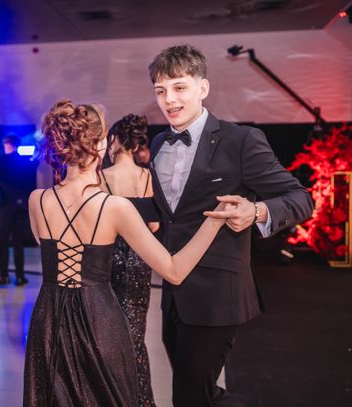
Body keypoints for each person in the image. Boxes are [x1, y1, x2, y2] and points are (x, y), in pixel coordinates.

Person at [23, 99, 231, 406]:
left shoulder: (37, 200)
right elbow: (174, 270)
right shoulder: (114, 207)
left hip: (48, 322)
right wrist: (216, 220)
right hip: (98, 321)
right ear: (101, 144)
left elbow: (49, 250)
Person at [148, 44, 314, 407]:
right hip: (173, 295)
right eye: (160, 91)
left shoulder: (240, 141)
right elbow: (167, 211)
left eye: (179, 87)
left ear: (203, 88)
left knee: (189, 396)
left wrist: (256, 211)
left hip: (217, 294)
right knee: (201, 391)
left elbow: (301, 198)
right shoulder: (159, 143)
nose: (168, 99)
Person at [101, 113, 159, 407]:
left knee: (108, 335)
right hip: (139, 261)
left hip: (108, 259)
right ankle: (142, 401)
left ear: (114, 140)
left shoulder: (102, 178)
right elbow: (154, 226)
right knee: (135, 338)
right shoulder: (146, 176)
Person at [0, 135, 37, 287]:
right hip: (21, 206)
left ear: (7, 145)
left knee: (2, 242)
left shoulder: (3, 160)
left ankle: (3, 275)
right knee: (18, 242)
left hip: (6, 206)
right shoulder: (25, 161)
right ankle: (20, 276)